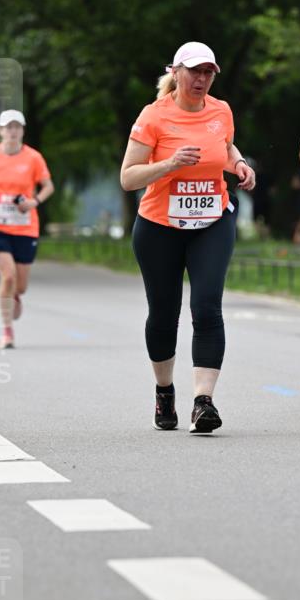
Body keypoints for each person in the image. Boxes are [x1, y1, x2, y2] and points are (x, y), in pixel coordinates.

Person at [120, 42, 255, 433]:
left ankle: (203, 402)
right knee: (164, 315)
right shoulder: (153, 117)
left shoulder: (221, 110)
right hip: (159, 226)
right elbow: (128, 177)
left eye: (208, 72)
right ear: (176, 72)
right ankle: (164, 392)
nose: (201, 79)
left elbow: (225, 147)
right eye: (194, 71)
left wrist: (240, 164)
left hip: (212, 221)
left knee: (207, 306)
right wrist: (168, 164)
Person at [0, 110, 54, 349]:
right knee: (8, 276)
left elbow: (48, 186)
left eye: (17, 127)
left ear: (22, 130)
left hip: (24, 224)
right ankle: (7, 331)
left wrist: (34, 202)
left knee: (20, 285)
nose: (12, 131)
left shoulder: (33, 158)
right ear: (0, 131)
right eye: (8, 127)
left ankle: (15, 295)